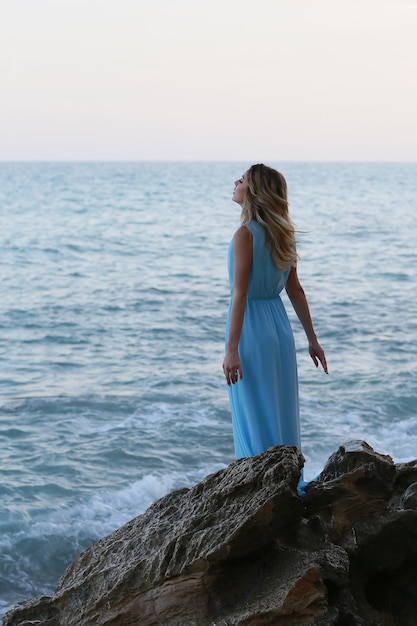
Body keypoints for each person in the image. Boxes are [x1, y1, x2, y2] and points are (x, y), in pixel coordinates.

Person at [222, 164, 328, 483]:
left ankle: (258, 486)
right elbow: (295, 290)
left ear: (253, 191)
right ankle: (287, 481)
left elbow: (240, 294)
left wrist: (231, 349)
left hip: (253, 329)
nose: (235, 183)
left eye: (240, 180)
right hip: (280, 329)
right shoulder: (283, 234)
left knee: (254, 408)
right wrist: (312, 339)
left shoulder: (245, 234)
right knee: (278, 406)